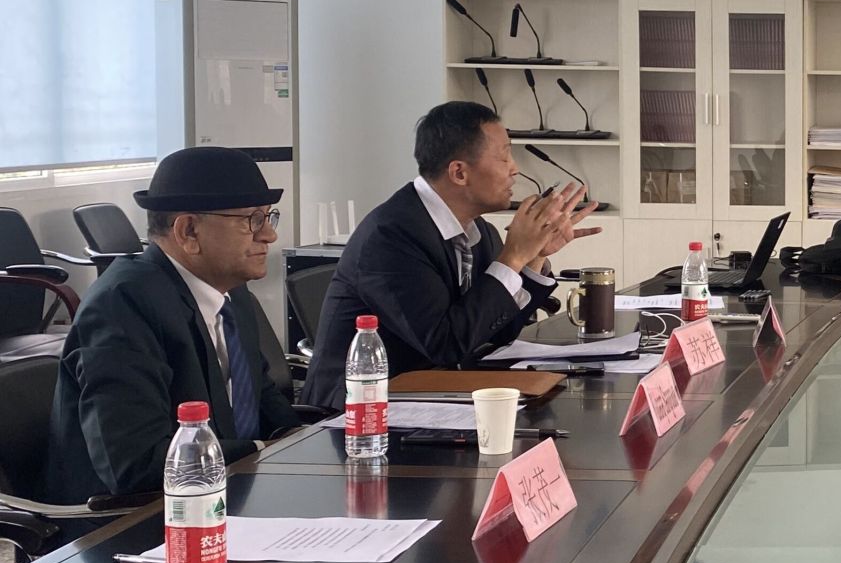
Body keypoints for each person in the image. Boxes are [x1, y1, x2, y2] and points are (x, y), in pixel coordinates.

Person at [44, 147, 301, 504]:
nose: (269, 235)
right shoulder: (122, 305)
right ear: (188, 231)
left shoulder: (231, 294)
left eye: (268, 217)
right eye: (252, 220)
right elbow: (136, 465)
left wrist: (302, 438)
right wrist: (261, 449)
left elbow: (259, 395)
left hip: (226, 493)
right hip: (134, 518)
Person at [304, 103, 598, 409]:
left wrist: (533, 256)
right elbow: (445, 344)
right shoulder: (391, 236)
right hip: (360, 412)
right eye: (504, 156)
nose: (515, 169)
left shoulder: (478, 230)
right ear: (459, 172)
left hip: (435, 394)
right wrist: (512, 258)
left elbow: (498, 331)